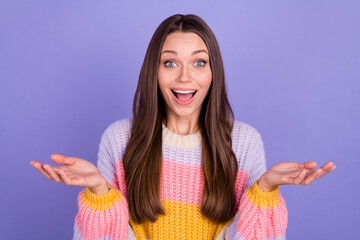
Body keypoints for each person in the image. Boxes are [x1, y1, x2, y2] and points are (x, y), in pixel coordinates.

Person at [30, 14, 336, 240]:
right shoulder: (120, 139)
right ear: (154, 71)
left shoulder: (243, 142)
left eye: (199, 63)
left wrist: (265, 190)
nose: (185, 78)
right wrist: (99, 192)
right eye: (170, 63)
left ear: (213, 71)